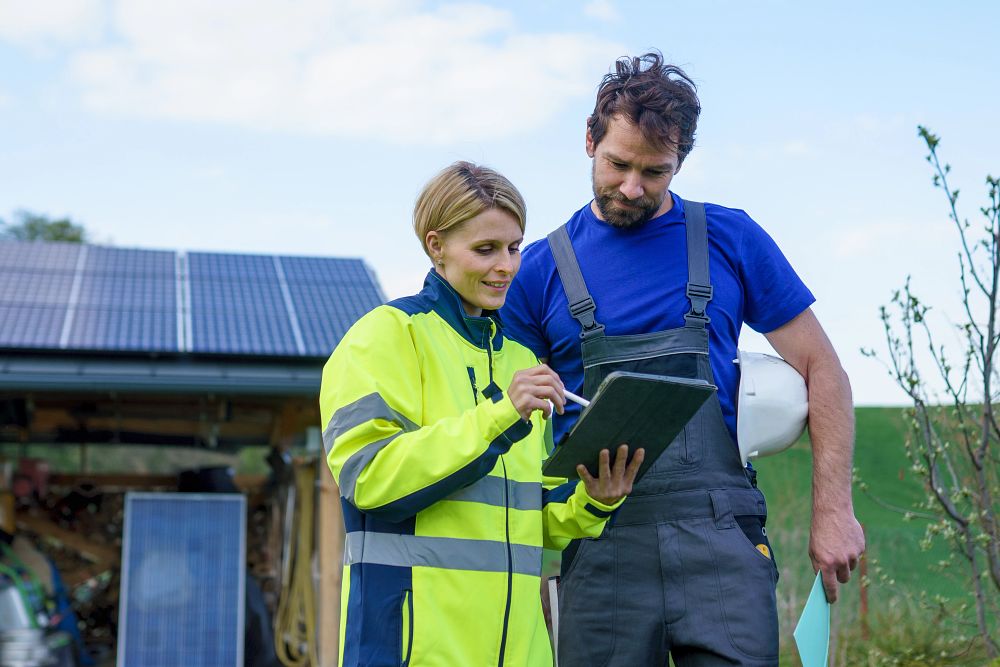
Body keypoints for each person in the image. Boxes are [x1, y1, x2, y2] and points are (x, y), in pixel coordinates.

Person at [501, 52, 866, 665]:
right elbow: (504, 411)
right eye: (617, 165)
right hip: (599, 543)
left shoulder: (729, 237)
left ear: (681, 161)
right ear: (589, 140)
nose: (632, 187)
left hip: (720, 537)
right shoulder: (537, 271)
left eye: (655, 171)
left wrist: (833, 509)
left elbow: (822, 368)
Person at [319, 161, 643, 666]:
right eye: (486, 249)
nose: (507, 266)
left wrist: (594, 501)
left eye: (514, 247)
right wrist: (500, 416)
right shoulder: (384, 335)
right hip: (409, 652)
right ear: (436, 246)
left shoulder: (522, 361)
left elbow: (530, 518)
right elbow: (368, 478)